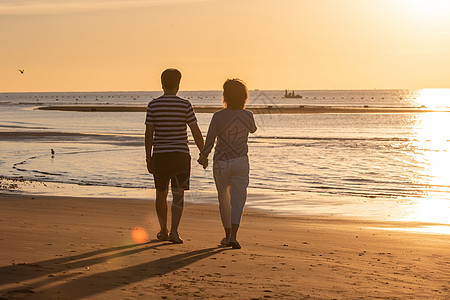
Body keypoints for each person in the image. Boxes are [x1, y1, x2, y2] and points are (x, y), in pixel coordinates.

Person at [145, 68, 205, 244]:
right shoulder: (185, 105)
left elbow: (149, 133)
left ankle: (163, 230)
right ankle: (174, 232)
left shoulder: (153, 105)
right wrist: (203, 152)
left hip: (161, 155)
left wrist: (148, 157)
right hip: (180, 155)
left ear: (162, 84)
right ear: (178, 85)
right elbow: (195, 131)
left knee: (161, 193)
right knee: (178, 195)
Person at [198, 78, 257, 249]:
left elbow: (209, 140)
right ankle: (234, 236)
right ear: (244, 97)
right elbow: (253, 129)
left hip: (221, 163)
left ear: (225, 96)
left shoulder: (218, 116)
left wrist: (204, 157)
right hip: (240, 161)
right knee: (238, 199)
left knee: (224, 199)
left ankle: (226, 235)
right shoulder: (248, 115)